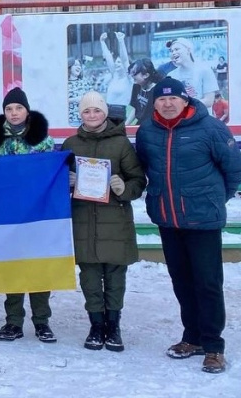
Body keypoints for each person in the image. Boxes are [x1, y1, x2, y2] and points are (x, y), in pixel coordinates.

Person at [135, 77, 241, 374]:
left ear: (185, 101)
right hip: (168, 219)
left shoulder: (210, 128)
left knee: (207, 283)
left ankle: (213, 346)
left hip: (202, 220)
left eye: (173, 99)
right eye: (161, 99)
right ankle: (191, 338)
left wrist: (215, 199)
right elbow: (143, 167)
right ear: (154, 103)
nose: (167, 104)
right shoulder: (147, 132)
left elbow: (233, 169)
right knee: (181, 281)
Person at [61, 92, 146, 352]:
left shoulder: (121, 144)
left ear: (105, 113)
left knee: (115, 278)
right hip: (83, 221)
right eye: (87, 111)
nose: (92, 115)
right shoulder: (70, 144)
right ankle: (96, 326)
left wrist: (123, 188)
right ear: (80, 115)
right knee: (89, 277)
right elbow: (56, 181)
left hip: (115, 222)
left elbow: (138, 180)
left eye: (97, 111)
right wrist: (67, 184)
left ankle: (114, 326)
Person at [0, 87, 58, 343]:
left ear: (27, 111)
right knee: (12, 268)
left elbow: (52, 175)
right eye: (9, 109)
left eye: (18, 108)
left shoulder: (44, 141)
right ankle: (13, 322)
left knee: (39, 268)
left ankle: (42, 322)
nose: (14, 112)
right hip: (8, 217)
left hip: (38, 215)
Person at [165, 38, 217, 108]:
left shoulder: (205, 70)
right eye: (171, 51)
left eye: (177, 49)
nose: (173, 53)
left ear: (188, 50)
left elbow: (209, 101)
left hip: (201, 117)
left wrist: (186, 104)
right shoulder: (171, 75)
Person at [99, 32, 133, 122]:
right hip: (107, 109)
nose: (116, 63)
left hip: (119, 112)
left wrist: (121, 41)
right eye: (116, 62)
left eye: (119, 62)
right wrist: (102, 42)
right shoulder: (114, 75)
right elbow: (108, 57)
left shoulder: (128, 77)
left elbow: (125, 59)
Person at [128, 58, 160, 126]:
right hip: (140, 124)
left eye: (135, 73)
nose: (132, 75)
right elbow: (135, 109)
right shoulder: (136, 86)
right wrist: (126, 125)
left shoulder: (156, 91)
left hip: (152, 127)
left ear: (146, 75)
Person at [68, 58, 91, 125]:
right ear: (69, 67)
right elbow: (58, 101)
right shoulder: (63, 84)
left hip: (85, 121)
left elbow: (93, 98)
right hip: (70, 121)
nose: (78, 67)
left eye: (79, 65)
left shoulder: (86, 82)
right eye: (75, 65)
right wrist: (74, 100)